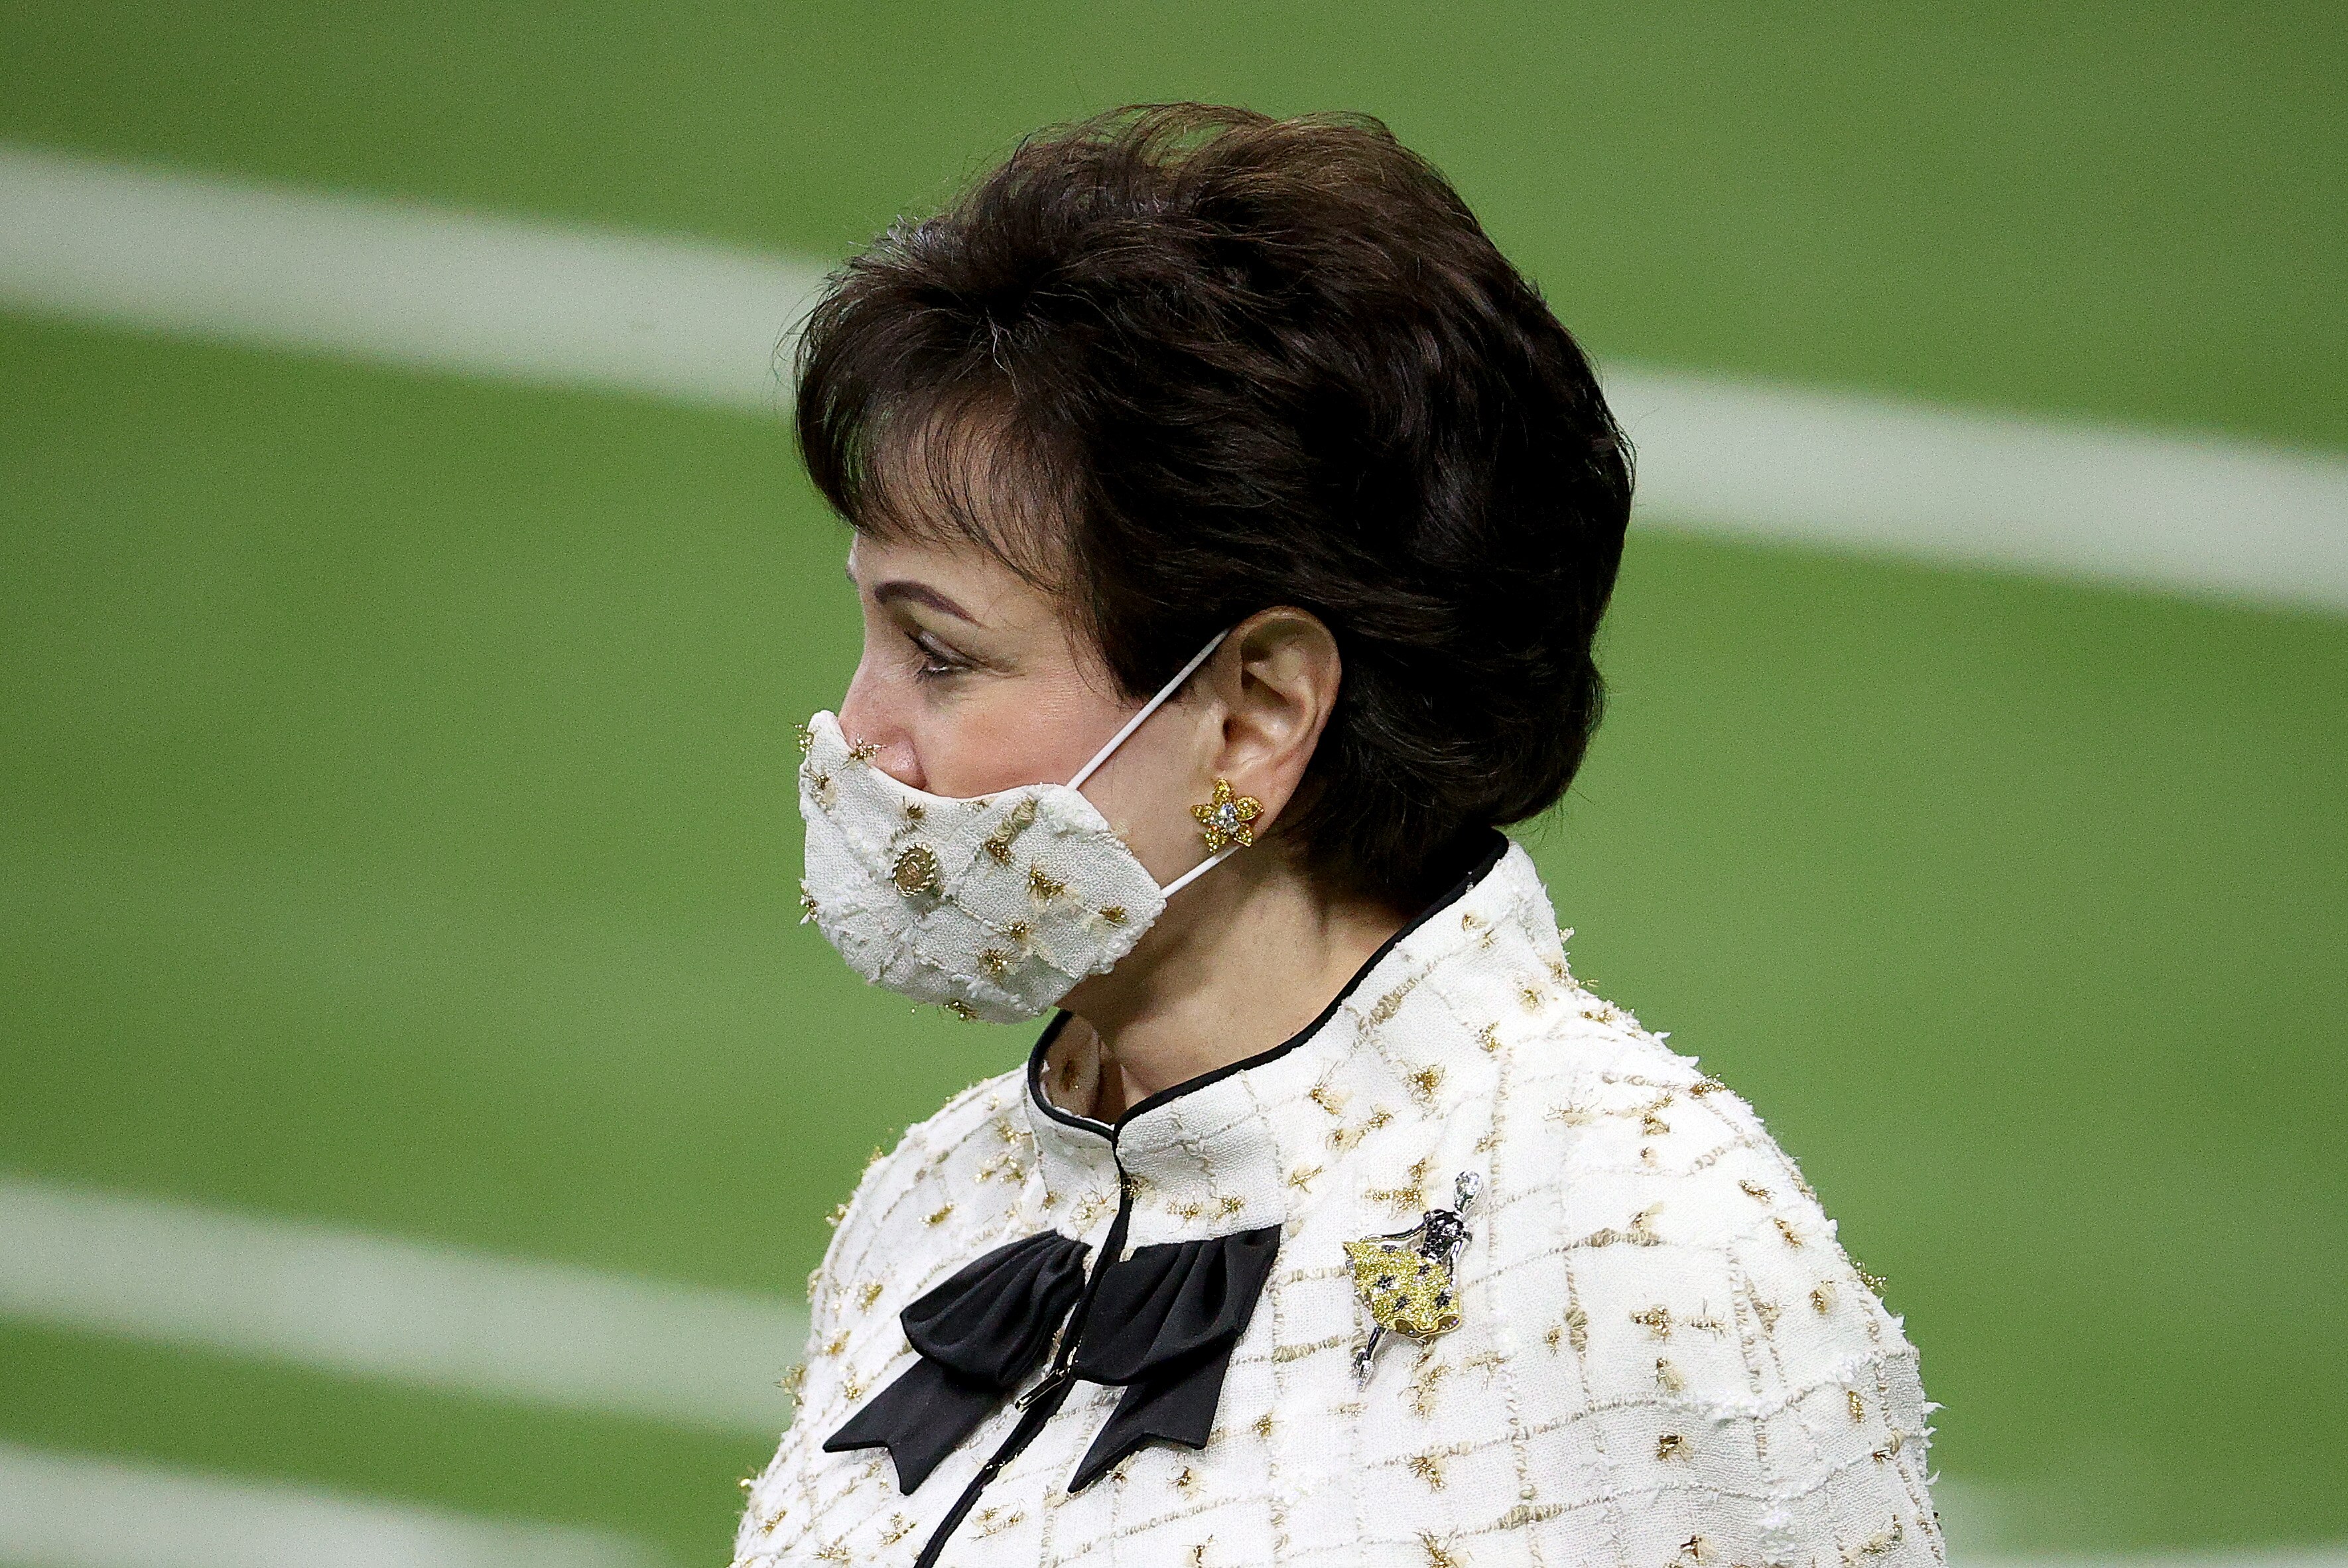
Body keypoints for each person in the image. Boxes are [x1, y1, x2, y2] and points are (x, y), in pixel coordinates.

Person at [738, 105, 1938, 1568]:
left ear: (1254, 714)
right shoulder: (935, 1206)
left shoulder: (1654, 1257)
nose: (860, 733)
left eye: (940, 656)